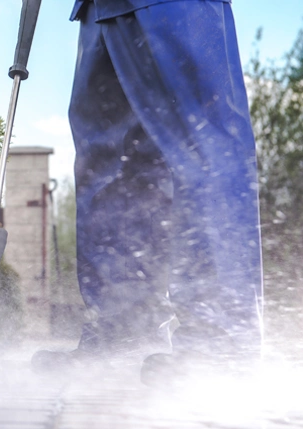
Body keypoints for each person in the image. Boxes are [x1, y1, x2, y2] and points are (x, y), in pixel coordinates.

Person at [32, 0, 264, 384]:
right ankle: (125, 327)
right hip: (99, 8)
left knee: (203, 143)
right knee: (112, 161)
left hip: (175, 6)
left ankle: (220, 346)